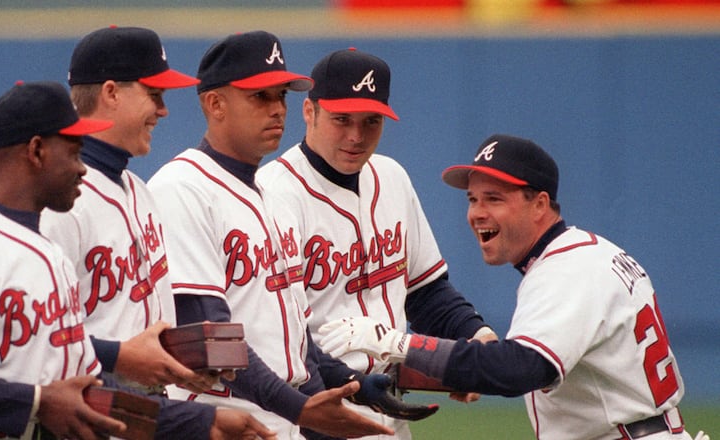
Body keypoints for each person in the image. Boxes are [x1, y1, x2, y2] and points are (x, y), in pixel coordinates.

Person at [0, 80, 276, 439]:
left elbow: (89, 398)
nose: (83, 169)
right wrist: (39, 402)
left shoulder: (53, 258)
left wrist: (203, 422)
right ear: (36, 151)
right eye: (74, 152)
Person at [318, 134, 710, 440]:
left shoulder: (566, 271)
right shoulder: (584, 253)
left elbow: (519, 369)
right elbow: (513, 365)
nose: (477, 213)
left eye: (495, 198)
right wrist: (410, 369)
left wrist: (397, 344)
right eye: (473, 199)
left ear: (539, 204)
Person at [148, 31, 435, 440]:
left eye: (280, 95)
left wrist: (350, 387)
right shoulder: (182, 188)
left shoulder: (271, 198)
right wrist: (300, 406)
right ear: (215, 104)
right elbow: (208, 337)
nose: (276, 110)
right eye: (259, 96)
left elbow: (297, 340)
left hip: (279, 420)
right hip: (220, 418)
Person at [256, 48, 497, 439]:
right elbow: (277, 333)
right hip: (313, 411)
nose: (356, 135)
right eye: (341, 120)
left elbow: (426, 292)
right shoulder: (272, 193)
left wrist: (475, 340)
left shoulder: (392, 177)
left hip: (389, 407)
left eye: (371, 121)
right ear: (309, 112)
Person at [40, 25, 221, 395]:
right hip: (88, 413)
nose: (164, 110)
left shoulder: (139, 190)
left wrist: (182, 363)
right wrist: (119, 356)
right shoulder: (57, 203)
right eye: (154, 94)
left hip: (149, 408)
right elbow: (38, 339)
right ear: (110, 93)